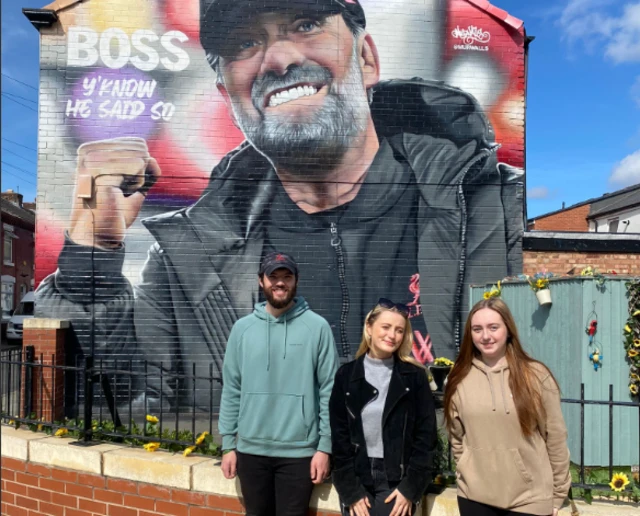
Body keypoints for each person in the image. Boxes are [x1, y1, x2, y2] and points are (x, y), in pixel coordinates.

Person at [35, 0, 523, 409]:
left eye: (306, 24)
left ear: (367, 60)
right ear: (228, 93)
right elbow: (111, 401)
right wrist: (90, 257)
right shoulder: (183, 260)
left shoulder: (494, 209)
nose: (278, 58)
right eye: (246, 44)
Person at [218, 251, 339, 516]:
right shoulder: (242, 329)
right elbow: (232, 388)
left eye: (287, 276)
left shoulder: (317, 328)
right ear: (261, 281)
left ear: (296, 281)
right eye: (273, 276)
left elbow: (330, 391)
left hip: (299, 453)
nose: (280, 283)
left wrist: (324, 448)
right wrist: (228, 444)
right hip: (251, 451)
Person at [443, 298, 571, 516]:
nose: (486, 336)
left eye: (494, 327)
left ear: (508, 330)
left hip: (530, 499)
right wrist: (467, 470)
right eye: (477, 329)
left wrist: (558, 495)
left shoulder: (536, 375)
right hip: (474, 497)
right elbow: (457, 438)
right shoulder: (458, 379)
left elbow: (555, 437)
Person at [329, 298, 437, 516]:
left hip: (397, 482)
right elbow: (340, 440)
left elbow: (426, 439)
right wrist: (350, 491)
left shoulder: (414, 377)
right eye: (385, 327)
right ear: (369, 327)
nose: (392, 335)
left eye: (399, 330)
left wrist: (410, 489)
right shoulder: (346, 376)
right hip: (359, 479)